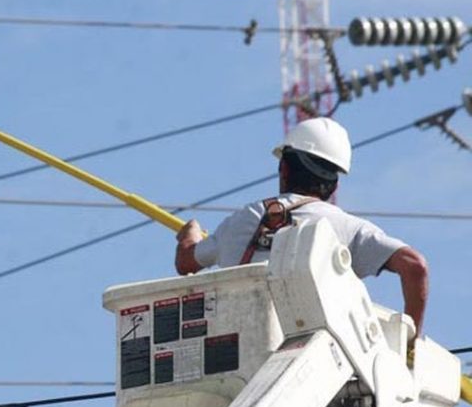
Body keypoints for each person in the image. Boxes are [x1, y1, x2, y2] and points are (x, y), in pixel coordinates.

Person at [175, 117, 429, 339]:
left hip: (238, 356)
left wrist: (191, 234)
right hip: (312, 358)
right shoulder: (348, 229)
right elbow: (414, 266)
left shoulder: (243, 219)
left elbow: (186, 262)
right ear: (334, 186)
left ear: (284, 168)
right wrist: (410, 342)